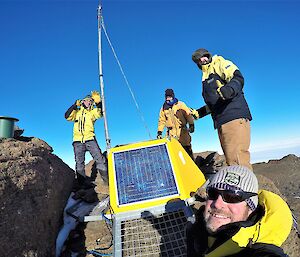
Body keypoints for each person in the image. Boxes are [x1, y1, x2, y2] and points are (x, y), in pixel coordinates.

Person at [186, 165, 293, 257]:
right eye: (213, 193)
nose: (217, 204)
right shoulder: (196, 226)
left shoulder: (256, 249)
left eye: (232, 197)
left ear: (250, 208)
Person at [191, 49, 252, 170]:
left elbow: (238, 78)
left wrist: (229, 89)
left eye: (205, 56)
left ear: (209, 56)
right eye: (199, 59)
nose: (202, 60)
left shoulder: (219, 63)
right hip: (221, 121)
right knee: (231, 161)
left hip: (233, 116)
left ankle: (246, 188)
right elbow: (214, 104)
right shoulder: (205, 78)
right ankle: (239, 187)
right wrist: (199, 113)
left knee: (238, 162)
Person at [65, 91, 107, 187]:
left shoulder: (92, 112)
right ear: (82, 102)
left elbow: (101, 113)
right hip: (77, 141)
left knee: (100, 160)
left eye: (90, 101)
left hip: (90, 139)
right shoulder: (76, 113)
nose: (88, 102)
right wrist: (74, 105)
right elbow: (66, 116)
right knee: (79, 163)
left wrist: (98, 103)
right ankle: (82, 186)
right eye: (86, 100)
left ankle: (107, 183)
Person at [157, 88, 195, 159]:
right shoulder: (163, 108)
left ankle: (192, 166)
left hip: (182, 132)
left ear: (173, 96)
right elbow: (161, 121)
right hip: (171, 134)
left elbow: (188, 114)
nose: (168, 98)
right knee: (176, 155)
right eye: (166, 97)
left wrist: (191, 124)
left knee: (187, 151)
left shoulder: (180, 104)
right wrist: (159, 132)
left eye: (169, 96)